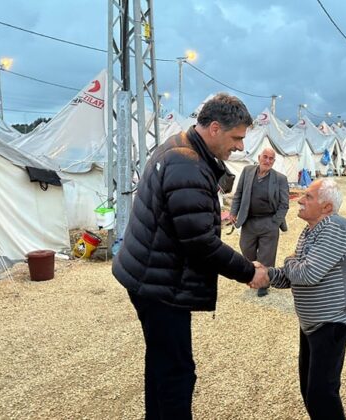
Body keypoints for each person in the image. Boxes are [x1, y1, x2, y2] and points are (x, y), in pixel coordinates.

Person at [112, 93, 269, 419]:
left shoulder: (179, 145)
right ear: (214, 128)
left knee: (161, 361)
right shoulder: (187, 165)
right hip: (160, 283)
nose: (240, 147)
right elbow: (200, 243)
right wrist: (247, 271)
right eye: (237, 137)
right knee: (178, 373)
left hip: (148, 273)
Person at [261, 178, 346, 420]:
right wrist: (266, 274)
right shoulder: (312, 231)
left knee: (322, 394)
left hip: (332, 323)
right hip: (313, 325)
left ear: (327, 207)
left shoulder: (335, 228)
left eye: (308, 196)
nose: (299, 200)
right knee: (310, 391)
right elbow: (293, 276)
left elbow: (306, 273)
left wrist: (289, 261)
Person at [229, 147, 290, 297]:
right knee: (246, 250)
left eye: (271, 159)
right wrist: (233, 212)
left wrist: (275, 222)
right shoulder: (247, 171)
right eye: (265, 157)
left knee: (267, 255)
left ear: (274, 161)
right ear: (259, 157)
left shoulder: (280, 178)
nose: (267, 161)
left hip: (269, 221)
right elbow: (239, 194)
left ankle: (264, 283)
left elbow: (284, 204)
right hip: (249, 221)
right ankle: (253, 275)